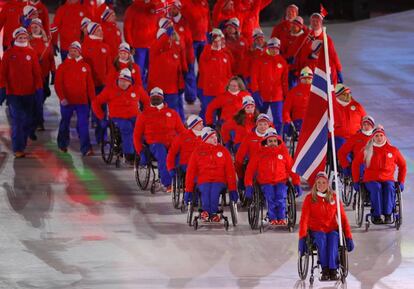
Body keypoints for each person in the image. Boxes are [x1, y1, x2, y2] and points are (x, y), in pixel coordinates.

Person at [298, 171, 354, 281]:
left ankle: (333, 269)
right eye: (318, 182)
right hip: (316, 230)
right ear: (315, 184)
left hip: (331, 229)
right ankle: (324, 269)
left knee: (333, 238)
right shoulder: (309, 199)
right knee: (321, 238)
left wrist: (348, 236)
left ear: (327, 184)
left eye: (324, 182)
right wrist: (302, 238)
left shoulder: (334, 197)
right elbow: (304, 220)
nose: (321, 185)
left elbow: (343, 219)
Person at [0, 27, 43, 158]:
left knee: (27, 120)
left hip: (29, 93)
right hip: (14, 94)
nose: (23, 39)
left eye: (24, 37)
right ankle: (18, 148)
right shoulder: (9, 54)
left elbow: (36, 73)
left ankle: (21, 144)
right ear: (15, 38)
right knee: (18, 120)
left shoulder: (31, 53)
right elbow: (2, 73)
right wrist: (3, 88)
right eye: (20, 37)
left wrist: (39, 88)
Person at [244, 128, 301, 225]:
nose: (273, 143)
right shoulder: (259, 154)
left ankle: (282, 217)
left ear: (278, 141)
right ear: (265, 141)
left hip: (281, 181)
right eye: (270, 141)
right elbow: (249, 170)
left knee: (280, 196)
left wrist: (296, 183)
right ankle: (272, 217)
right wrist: (248, 185)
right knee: (270, 197)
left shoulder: (283, 154)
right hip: (265, 182)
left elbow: (292, 169)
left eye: (275, 141)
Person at [92, 69, 149, 165]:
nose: (122, 83)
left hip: (134, 116)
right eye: (121, 80)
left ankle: (145, 152)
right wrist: (101, 117)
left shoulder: (137, 89)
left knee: (145, 127)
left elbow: (147, 101)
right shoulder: (110, 89)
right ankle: (129, 154)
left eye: (125, 81)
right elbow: (95, 103)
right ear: (117, 80)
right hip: (117, 118)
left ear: (130, 82)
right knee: (128, 128)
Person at [133, 87, 185, 192]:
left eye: (158, 97)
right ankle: (167, 183)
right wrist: (140, 151)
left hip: (171, 142)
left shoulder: (172, 113)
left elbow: (182, 131)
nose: (156, 99)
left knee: (181, 155)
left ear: (162, 98)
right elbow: (137, 135)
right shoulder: (144, 115)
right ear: (150, 98)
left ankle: (181, 181)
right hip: (155, 144)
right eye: (153, 97)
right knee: (162, 154)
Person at [352, 126, 406, 224]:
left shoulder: (393, 150)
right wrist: (356, 180)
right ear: (373, 137)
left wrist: (401, 181)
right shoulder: (367, 150)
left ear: (384, 137)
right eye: (376, 136)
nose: (379, 138)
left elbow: (403, 165)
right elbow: (355, 164)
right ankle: (376, 215)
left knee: (390, 187)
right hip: (371, 179)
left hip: (387, 178)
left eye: (381, 135)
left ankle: (388, 214)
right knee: (376, 187)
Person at [185, 127, 238, 222]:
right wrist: (188, 190)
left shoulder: (223, 151)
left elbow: (230, 171)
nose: (215, 139)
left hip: (219, 180)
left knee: (214, 191)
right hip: (203, 180)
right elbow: (191, 172)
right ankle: (206, 212)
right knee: (205, 190)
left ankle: (213, 212)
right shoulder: (197, 151)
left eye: (215, 136)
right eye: (211, 137)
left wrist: (232, 189)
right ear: (205, 139)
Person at [54, 41, 95, 156]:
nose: (73, 52)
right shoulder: (62, 66)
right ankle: (62, 144)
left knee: (83, 125)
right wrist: (62, 98)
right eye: (71, 50)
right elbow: (58, 84)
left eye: (75, 50)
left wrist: (93, 100)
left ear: (79, 52)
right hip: (67, 102)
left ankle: (86, 148)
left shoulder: (85, 67)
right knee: (65, 123)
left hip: (82, 102)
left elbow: (90, 85)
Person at [148, 19, 187, 120]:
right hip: (157, 89)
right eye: (164, 38)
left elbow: (178, 72)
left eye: (168, 38)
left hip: (172, 89)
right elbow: (159, 44)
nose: (167, 40)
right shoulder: (154, 51)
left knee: (173, 113)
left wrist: (181, 84)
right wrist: (166, 34)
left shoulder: (174, 52)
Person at [83, 21, 113, 143]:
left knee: (102, 111)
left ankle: (102, 137)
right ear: (93, 31)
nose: (102, 32)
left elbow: (109, 67)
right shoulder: (85, 46)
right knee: (87, 111)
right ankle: (84, 137)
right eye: (99, 30)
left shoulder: (106, 47)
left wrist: (109, 82)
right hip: (88, 85)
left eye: (101, 30)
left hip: (102, 85)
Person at [250, 37, 288, 133]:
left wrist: (285, 94)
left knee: (278, 120)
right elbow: (254, 77)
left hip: (277, 96)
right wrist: (255, 92)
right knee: (259, 118)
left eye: (276, 48)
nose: (274, 50)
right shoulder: (260, 60)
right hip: (263, 95)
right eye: (272, 48)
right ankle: (258, 137)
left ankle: (278, 139)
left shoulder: (282, 62)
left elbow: (284, 81)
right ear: (268, 48)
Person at [295, 12, 342, 85]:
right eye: (313, 21)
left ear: (321, 23)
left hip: (321, 71)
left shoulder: (326, 39)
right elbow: (297, 54)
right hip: (306, 71)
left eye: (317, 21)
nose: (315, 23)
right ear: (310, 22)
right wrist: (295, 68)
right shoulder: (303, 38)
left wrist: (338, 70)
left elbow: (333, 55)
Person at [198, 29, 233, 121]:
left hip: (222, 91)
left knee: (223, 116)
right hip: (209, 91)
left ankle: (222, 133)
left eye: (219, 40)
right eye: (214, 41)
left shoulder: (225, 55)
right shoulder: (206, 54)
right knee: (209, 114)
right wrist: (209, 45)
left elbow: (229, 74)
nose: (217, 43)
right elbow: (203, 61)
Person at [124, 0, 160, 88]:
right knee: (139, 71)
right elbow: (127, 28)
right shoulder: (133, 8)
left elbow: (160, 25)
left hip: (153, 45)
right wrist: (130, 44)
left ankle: (150, 90)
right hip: (139, 46)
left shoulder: (156, 6)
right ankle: (139, 91)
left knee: (153, 70)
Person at [168, 2, 197, 105]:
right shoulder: (166, 21)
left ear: (178, 9)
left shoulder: (184, 22)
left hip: (185, 55)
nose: (172, 10)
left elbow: (189, 42)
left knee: (189, 76)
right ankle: (175, 97)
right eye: (170, 8)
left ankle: (191, 97)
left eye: (174, 9)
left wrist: (190, 58)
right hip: (172, 57)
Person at [29, 18, 55, 131]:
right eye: (32, 27)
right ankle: (38, 122)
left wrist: (54, 72)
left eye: (36, 27)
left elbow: (51, 59)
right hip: (31, 76)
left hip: (44, 74)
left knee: (41, 97)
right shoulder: (28, 41)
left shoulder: (47, 41)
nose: (34, 29)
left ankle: (37, 119)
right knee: (35, 100)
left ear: (41, 28)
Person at [333, 84, 366, 151]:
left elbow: (366, 122)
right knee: (344, 149)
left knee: (362, 151)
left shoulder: (357, 106)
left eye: (349, 93)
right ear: (337, 95)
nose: (348, 96)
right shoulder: (331, 107)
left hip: (355, 138)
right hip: (338, 138)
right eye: (345, 94)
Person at [282, 66, 313, 137]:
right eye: (304, 78)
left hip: (313, 121)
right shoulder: (293, 92)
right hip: (298, 122)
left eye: (309, 78)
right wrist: (287, 120)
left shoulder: (317, 92)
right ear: (300, 78)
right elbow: (286, 109)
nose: (306, 80)